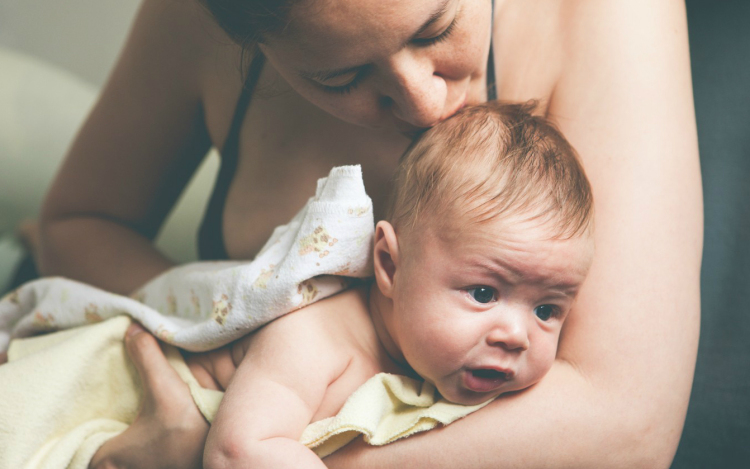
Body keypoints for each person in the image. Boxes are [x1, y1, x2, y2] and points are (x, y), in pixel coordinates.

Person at [32, 0, 702, 467]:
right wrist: (214, 344)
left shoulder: (599, 13)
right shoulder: (197, 18)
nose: (425, 104)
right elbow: (76, 223)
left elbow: (628, 427)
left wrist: (221, 443)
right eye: (340, 76)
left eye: (437, 25)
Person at [82, 101, 593, 468]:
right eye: (483, 293)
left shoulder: (451, 361)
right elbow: (241, 449)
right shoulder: (315, 337)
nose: (517, 335)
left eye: (547, 309)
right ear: (389, 266)